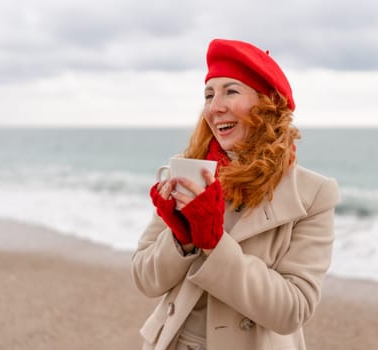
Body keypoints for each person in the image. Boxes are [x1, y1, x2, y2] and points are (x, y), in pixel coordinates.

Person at [132, 38, 340, 350]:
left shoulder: (314, 194)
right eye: (208, 95)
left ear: (267, 104)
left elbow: (293, 310)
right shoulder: (190, 173)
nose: (215, 107)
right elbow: (145, 279)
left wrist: (214, 242)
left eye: (231, 91)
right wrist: (180, 238)